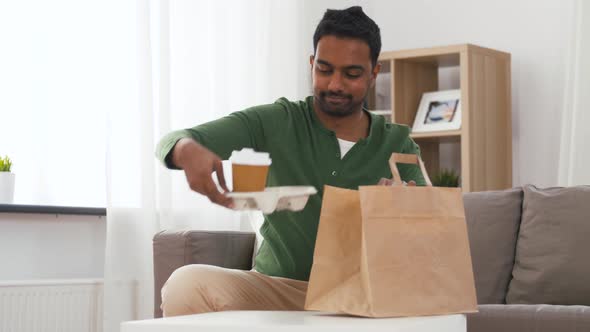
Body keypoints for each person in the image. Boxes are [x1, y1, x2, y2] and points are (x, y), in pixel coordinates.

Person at [155, 6, 426, 317]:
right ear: (311, 64)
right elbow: (175, 138)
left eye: (351, 74)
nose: (335, 84)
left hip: (359, 298)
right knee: (185, 284)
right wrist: (187, 149)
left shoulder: (397, 143)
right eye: (324, 69)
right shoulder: (278, 120)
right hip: (277, 288)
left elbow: (421, 226)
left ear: (374, 72)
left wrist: (401, 203)